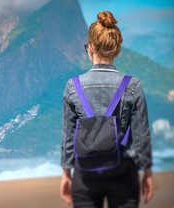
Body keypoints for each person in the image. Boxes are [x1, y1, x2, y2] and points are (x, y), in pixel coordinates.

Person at [59, 11, 154, 207]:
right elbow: (141, 135)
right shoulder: (132, 86)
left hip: (84, 175)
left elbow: (68, 137)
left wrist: (66, 173)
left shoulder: (73, 86)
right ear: (117, 50)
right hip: (123, 173)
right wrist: (147, 173)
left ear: (90, 48)